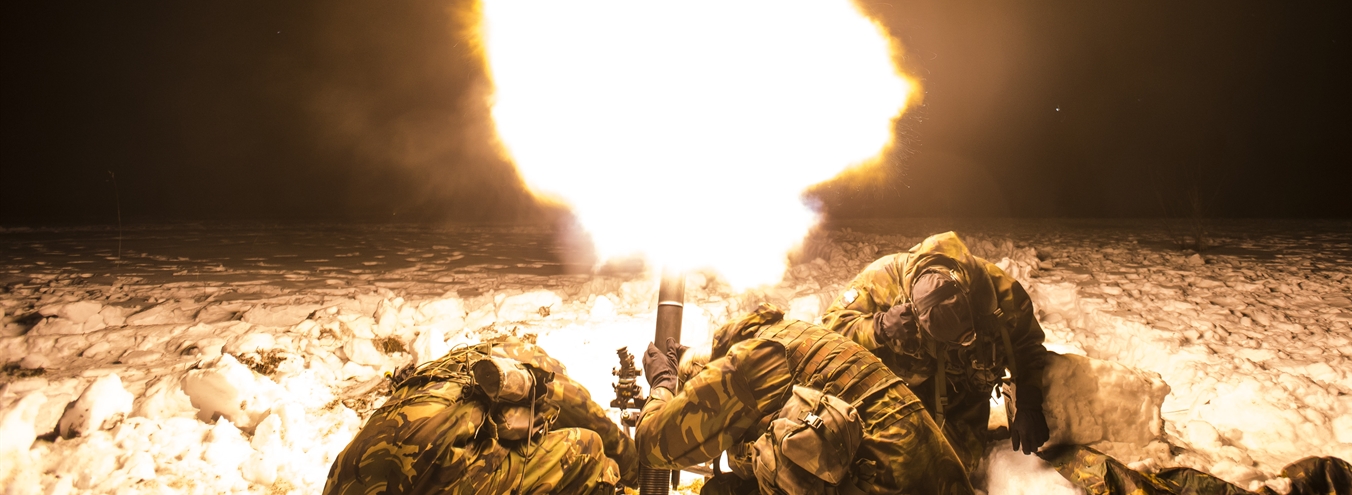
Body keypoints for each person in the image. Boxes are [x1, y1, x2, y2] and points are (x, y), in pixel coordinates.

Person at [635, 303, 974, 495]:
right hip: (945, 478)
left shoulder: (747, 362)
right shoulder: (797, 336)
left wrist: (664, 384)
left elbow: (654, 442)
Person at [819, 231, 1050, 467]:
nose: (966, 342)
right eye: (956, 339)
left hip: (963, 397)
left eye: (968, 335)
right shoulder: (881, 280)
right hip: (898, 392)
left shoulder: (1000, 290)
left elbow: (1027, 345)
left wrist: (1029, 402)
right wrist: (880, 326)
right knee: (880, 467)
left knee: (953, 473)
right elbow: (830, 329)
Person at [324, 337, 635, 495]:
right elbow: (583, 410)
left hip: (347, 478)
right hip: (428, 482)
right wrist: (634, 462)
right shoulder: (524, 358)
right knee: (587, 448)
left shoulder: (442, 371)